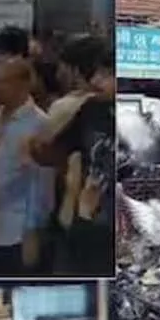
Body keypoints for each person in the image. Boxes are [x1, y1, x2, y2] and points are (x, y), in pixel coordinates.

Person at [31, 34, 114, 277]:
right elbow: (58, 149)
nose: (96, 80)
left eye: (107, 74)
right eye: (97, 72)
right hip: (84, 225)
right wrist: (40, 149)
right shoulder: (90, 110)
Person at [0, 58, 50, 275]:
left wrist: (33, 230)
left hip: (19, 230)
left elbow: (42, 183)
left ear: (24, 84)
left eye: (4, 82)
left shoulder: (39, 123)